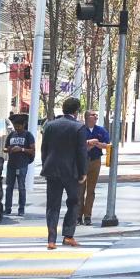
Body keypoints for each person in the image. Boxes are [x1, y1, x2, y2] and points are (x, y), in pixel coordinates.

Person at [40, 98, 88, 250]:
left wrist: (46, 165)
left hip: (52, 170)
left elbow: (44, 149)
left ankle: (51, 240)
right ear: (76, 111)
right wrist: (83, 172)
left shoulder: (50, 125)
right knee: (74, 202)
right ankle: (68, 235)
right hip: (71, 172)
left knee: (52, 205)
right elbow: (81, 152)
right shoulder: (79, 127)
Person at [79, 110, 110, 226]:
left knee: (91, 190)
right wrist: (88, 143)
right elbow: (78, 144)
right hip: (82, 162)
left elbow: (107, 145)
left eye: (96, 115)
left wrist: (96, 144)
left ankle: (88, 216)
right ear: (87, 117)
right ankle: (78, 215)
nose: (95, 117)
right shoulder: (81, 129)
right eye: (93, 115)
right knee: (80, 190)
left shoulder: (101, 130)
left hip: (95, 161)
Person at [4, 115, 35, 216]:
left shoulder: (28, 135)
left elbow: (32, 150)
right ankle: (7, 208)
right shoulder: (12, 135)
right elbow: (5, 148)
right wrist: (10, 149)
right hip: (11, 164)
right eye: (15, 126)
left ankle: (21, 209)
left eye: (19, 126)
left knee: (21, 187)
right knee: (9, 187)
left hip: (22, 164)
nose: (17, 128)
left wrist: (21, 149)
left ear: (23, 125)